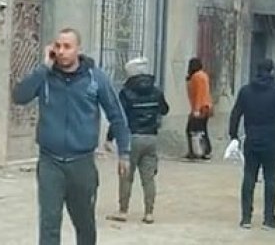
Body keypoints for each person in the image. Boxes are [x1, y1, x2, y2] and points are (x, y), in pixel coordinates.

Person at [13, 28, 131, 245]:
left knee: (84, 222)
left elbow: (117, 114)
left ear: (78, 49)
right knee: (49, 222)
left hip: (82, 163)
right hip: (50, 162)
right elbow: (19, 96)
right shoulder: (45, 76)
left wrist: (124, 152)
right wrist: (43, 68)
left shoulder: (95, 78)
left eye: (67, 46)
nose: (61, 51)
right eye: (57, 46)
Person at [229, 58, 275, 230]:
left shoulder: (245, 91)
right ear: (272, 72)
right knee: (271, 178)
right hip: (272, 141)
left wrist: (233, 135)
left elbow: (235, 114)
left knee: (249, 177)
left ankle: (246, 218)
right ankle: (268, 219)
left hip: (252, 139)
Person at [106, 58, 169, 224]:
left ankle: (123, 210)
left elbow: (119, 118)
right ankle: (149, 213)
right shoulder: (156, 91)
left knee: (126, 175)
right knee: (148, 178)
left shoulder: (126, 92)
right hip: (151, 138)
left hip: (131, 138)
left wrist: (109, 138)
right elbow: (165, 109)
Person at [186, 57, 213, 160]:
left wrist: (196, 109)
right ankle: (203, 151)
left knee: (192, 130)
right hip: (206, 106)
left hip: (201, 107)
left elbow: (199, 94)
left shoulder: (197, 77)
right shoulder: (203, 75)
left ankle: (198, 151)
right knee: (202, 129)